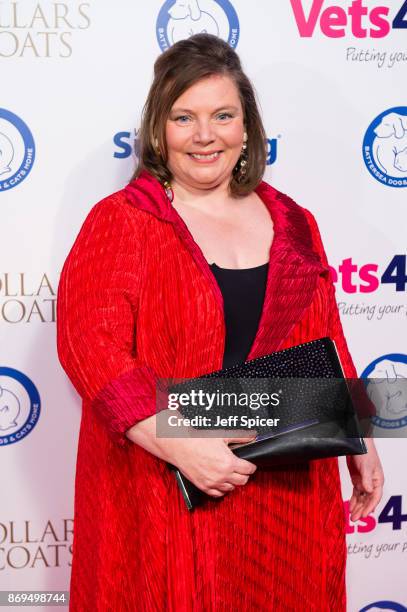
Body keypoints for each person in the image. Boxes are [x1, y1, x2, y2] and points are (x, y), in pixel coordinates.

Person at [57, 33, 384, 611]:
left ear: (247, 127)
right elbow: (90, 347)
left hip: (284, 496)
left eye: (222, 115)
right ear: (159, 130)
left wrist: (358, 432)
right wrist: (182, 446)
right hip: (165, 485)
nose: (205, 136)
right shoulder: (125, 222)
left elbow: (326, 335)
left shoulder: (295, 222)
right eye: (184, 117)